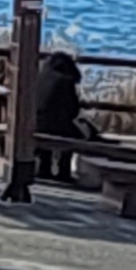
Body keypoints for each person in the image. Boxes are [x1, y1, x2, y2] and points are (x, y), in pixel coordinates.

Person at [31, 43, 90, 177]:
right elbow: (73, 111)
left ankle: (45, 168)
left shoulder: (41, 77)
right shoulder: (66, 81)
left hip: (36, 125)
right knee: (72, 133)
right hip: (57, 128)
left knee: (47, 123)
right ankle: (64, 170)